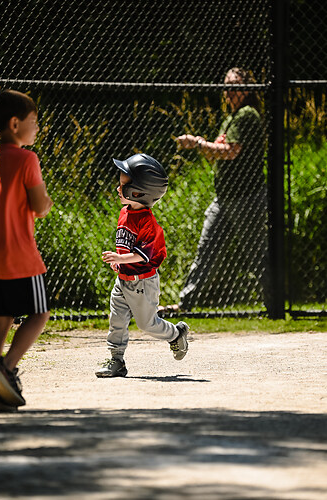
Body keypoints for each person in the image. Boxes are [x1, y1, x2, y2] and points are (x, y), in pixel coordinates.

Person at [164, 67, 271, 313]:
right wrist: (206, 145)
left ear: (248, 89)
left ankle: (274, 305)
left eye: (235, 85)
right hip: (224, 199)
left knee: (256, 256)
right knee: (206, 252)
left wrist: (198, 143)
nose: (229, 90)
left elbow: (231, 151)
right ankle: (185, 304)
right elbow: (219, 153)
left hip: (245, 198)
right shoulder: (230, 118)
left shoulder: (246, 114)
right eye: (226, 85)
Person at [95, 153, 189, 378]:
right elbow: (126, 246)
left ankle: (176, 334)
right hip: (123, 281)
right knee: (116, 319)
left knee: (147, 325)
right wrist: (119, 263)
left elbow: (142, 255)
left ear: (137, 193)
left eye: (122, 185)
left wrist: (120, 259)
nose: (118, 189)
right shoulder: (124, 212)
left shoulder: (149, 223)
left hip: (142, 283)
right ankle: (116, 360)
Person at [0, 89, 53, 410]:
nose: (38, 128)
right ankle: (8, 368)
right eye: (34, 121)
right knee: (39, 312)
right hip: (20, 256)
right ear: (15, 124)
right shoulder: (27, 158)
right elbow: (40, 205)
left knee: (0, 316)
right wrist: (45, 203)